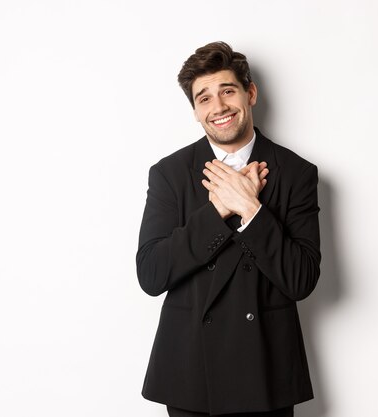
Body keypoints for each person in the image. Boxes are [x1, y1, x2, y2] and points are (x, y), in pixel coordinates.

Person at [136, 41, 321, 417]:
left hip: (265, 372)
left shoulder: (297, 173)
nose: (217, 107)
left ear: (250, 93)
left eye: (227, 91)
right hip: (192, 376)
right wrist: (219, 207)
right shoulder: (169, 174)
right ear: (195, 112)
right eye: (203, 98)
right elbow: (151, 274)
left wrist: (252, 209)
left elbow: (301, 280)